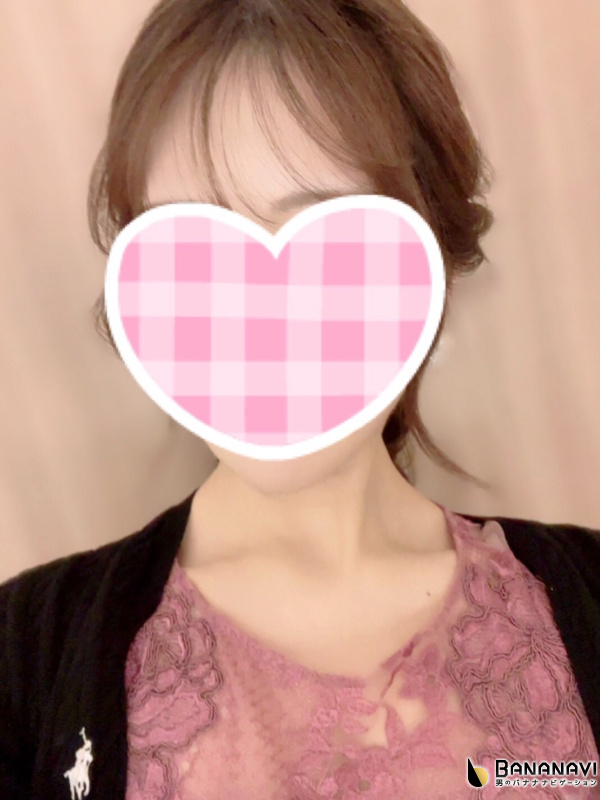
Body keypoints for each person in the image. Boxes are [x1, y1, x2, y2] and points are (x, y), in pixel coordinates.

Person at [1, 1, 600, 798]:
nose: (257, 320)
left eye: (331, 243)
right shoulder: (21, 657)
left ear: (436, 260)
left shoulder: (587, 597)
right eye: (191, 255)